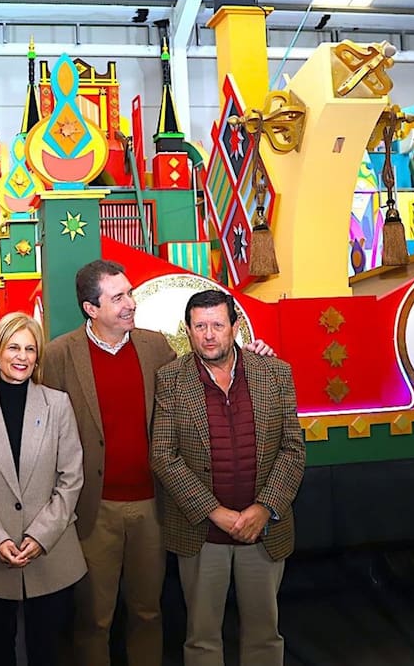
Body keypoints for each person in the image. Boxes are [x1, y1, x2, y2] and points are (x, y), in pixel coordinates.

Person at [41, 259, 275, 666]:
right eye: (118, 298)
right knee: (94, 618)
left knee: (148, 612)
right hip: (92, 510)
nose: (131, 303)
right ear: (91, 309)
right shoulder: (59, 355)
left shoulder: (156, 347)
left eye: (129, 293)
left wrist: (249, 355)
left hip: (153, 507)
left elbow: (201, 378)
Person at [150, 290, 306, 666]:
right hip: (201, 535)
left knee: (264, 634)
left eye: (218, 325)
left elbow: (293, 448)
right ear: (187, 330)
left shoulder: (275, 372)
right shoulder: (170, 380)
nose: (209, 335)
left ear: (235, 327)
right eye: (200, 326)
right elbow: (163, 455)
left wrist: (264, 508)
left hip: (263, 531)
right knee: (202, 638)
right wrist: (215, 512)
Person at [0, 312, 86, 666]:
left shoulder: (58, 405)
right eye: (13, 347)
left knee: (47, 651)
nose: (22, 356)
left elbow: (70, 478)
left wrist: (40, 537)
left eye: (30, 349)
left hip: (51, 552)